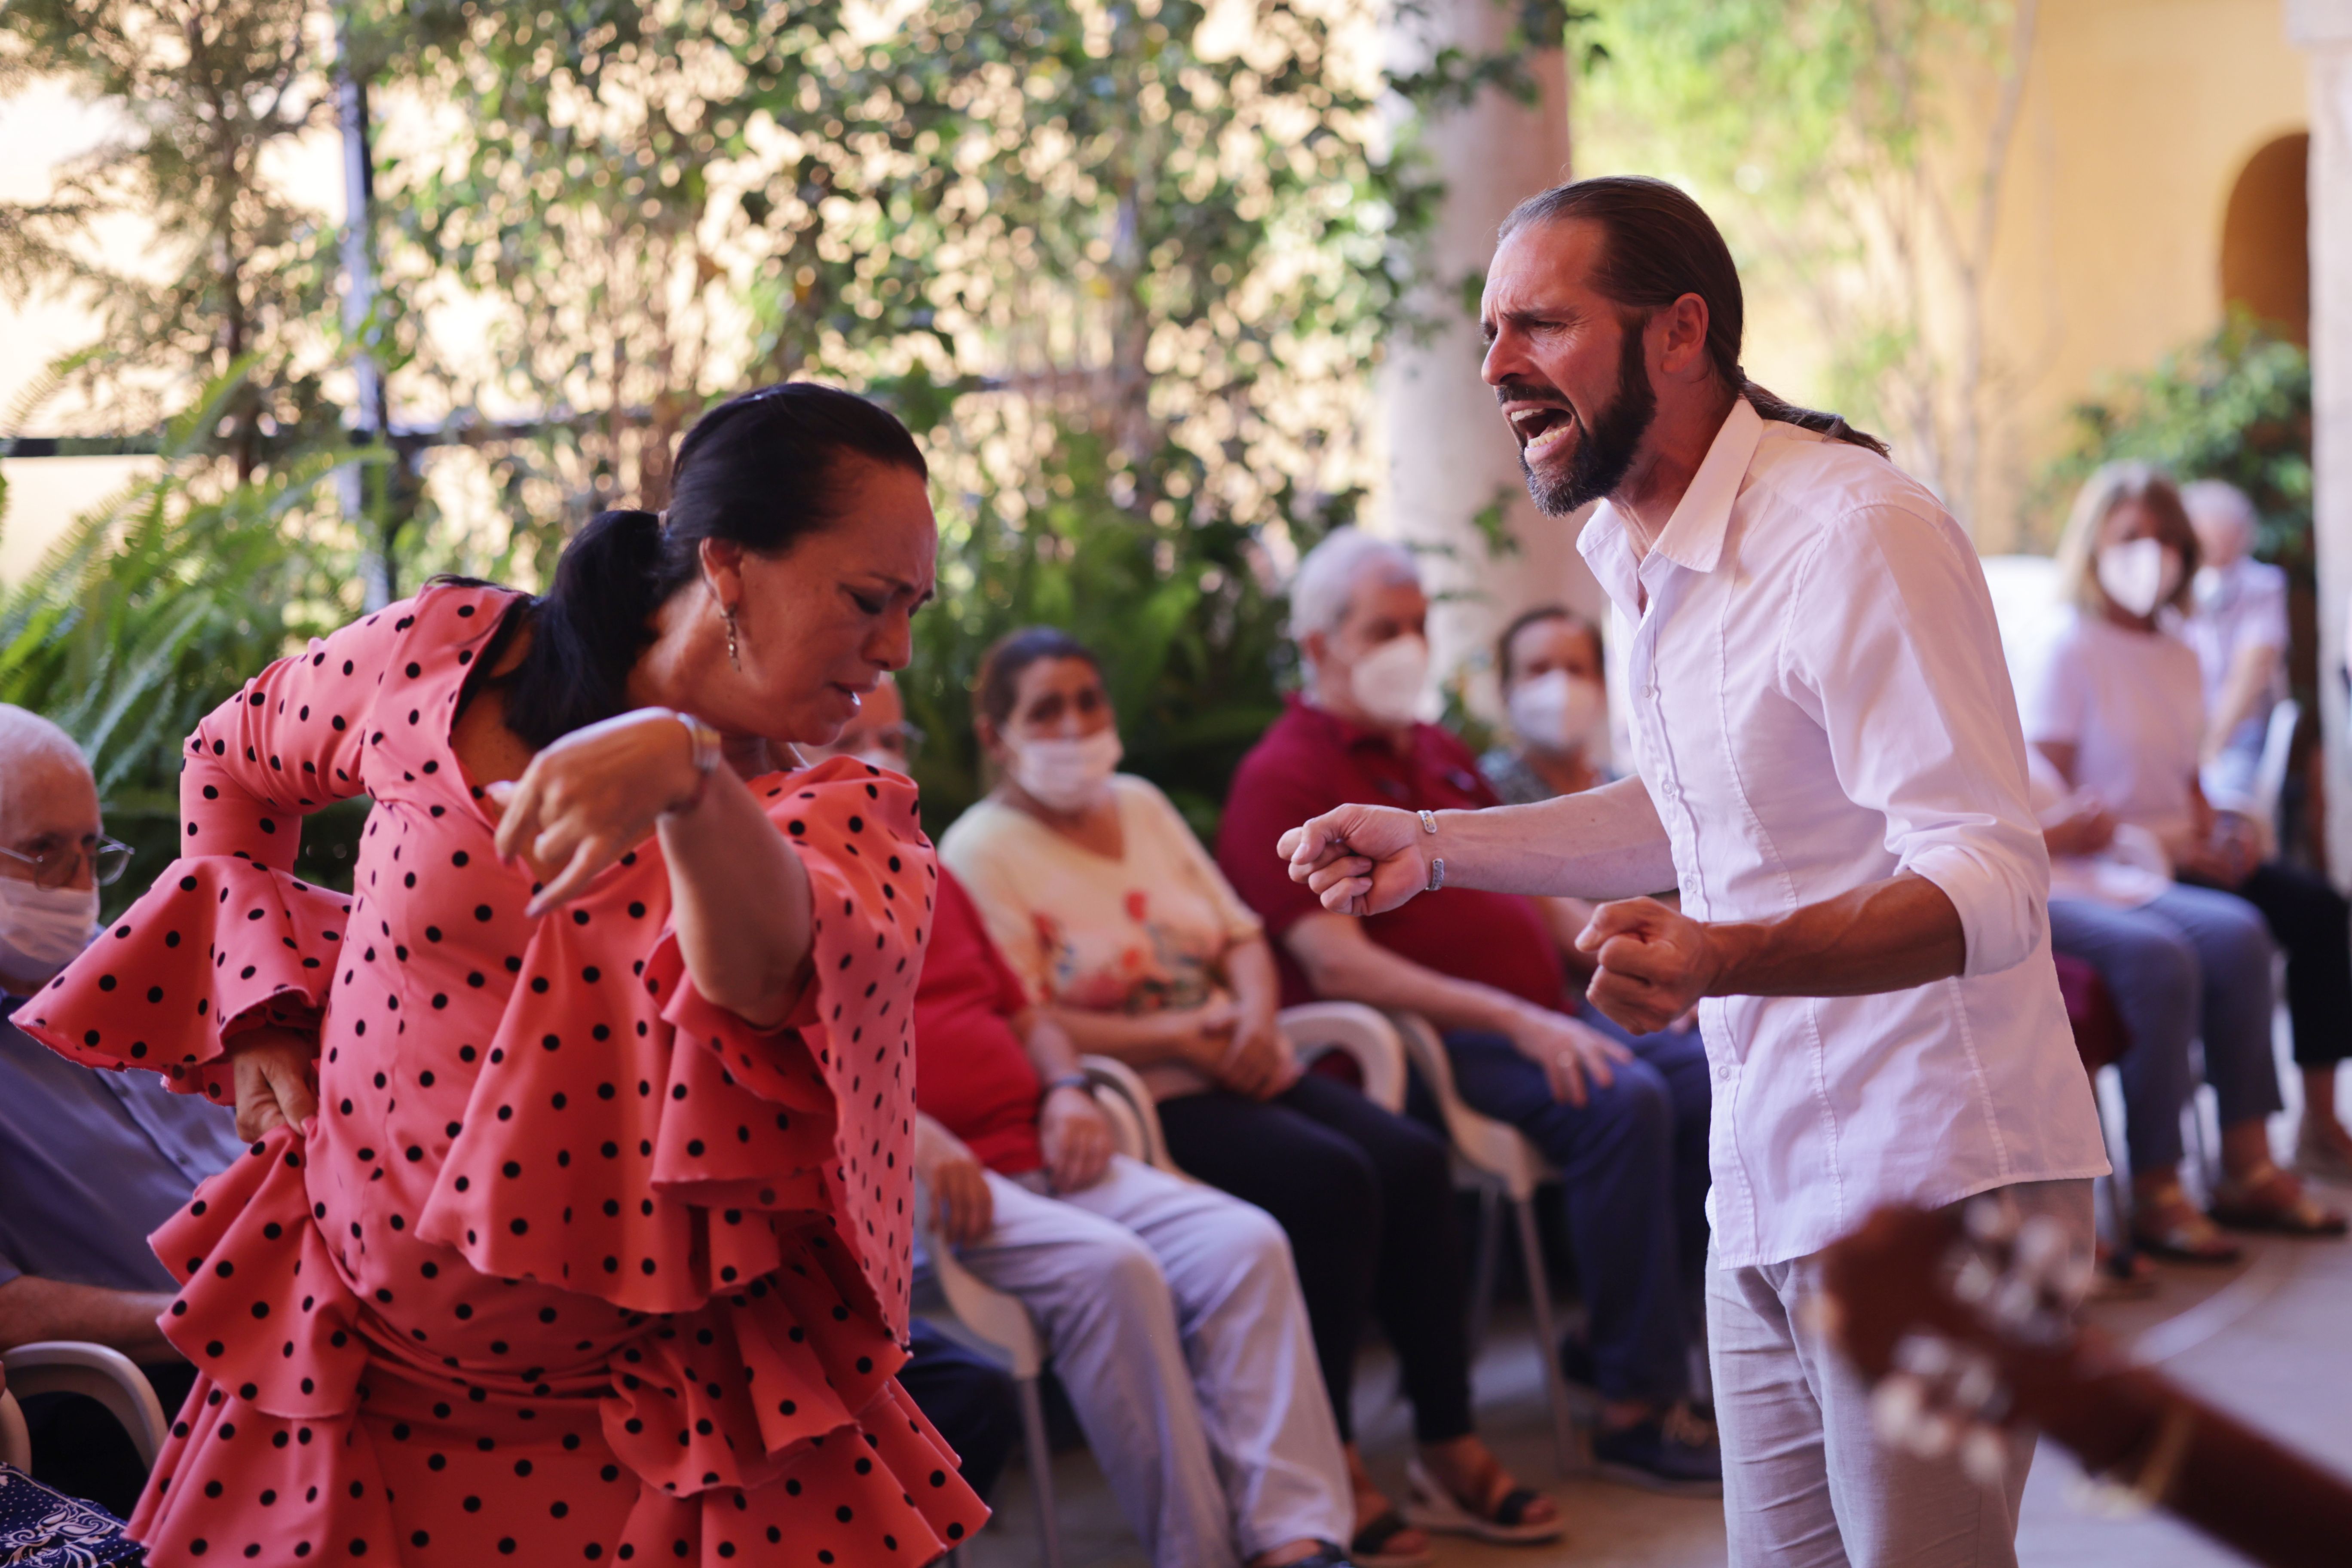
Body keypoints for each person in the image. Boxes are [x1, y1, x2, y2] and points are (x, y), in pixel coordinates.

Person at [1277, 176, 2110, 1567]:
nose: (1495, 369)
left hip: (1942, 1174)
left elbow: (1989, 880)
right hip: (1770, 1171)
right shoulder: (1635, 544)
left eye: (1539, 324)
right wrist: (1429, 845)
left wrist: (1725, 952)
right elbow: (1689, 811)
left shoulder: (1854, 529)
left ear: (1679, 333)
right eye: (1489, 333)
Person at [19, 384, 990, 1565]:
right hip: (349, 1394)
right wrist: (258, 1010)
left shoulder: (840, 817)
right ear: (729, 566)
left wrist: (688, 777)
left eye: (912, 612)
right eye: (869, 601)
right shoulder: (439, 661)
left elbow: (769, 970)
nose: (895, 650)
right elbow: (231, 762)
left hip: (641, 1447)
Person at [940, 630, 1560, 1565]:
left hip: (1243, 1054)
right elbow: (1028, 1012)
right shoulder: (979, 850)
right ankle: (1335, 1463)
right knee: (1329, 1182)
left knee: (1411, 1158)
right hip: (1146, 1092)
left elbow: (1239, 934)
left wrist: (1256, 1024)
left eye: (1088, 701)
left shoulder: (1141, 805)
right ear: (997, 735)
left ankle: (1447, 1441)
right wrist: (1183, 1040)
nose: (1074, 725)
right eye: (1046, 711)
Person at [810, 680, 1357, 1568]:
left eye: (893, 733)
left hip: (1045, 1144)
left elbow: (1026, 1016)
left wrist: (1065, 1089)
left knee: (1243, 1242)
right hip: (933, 1186)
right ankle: (1200, 1554)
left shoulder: (923, 864)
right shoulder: (780, 881)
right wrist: (914, 1134)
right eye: (854, 733)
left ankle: (1295, 1538)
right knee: (1116, 1270)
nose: (882, 756)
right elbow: (796, 1062)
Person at [1217, 534, 1717, 1493]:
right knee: (1625, 1102)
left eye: (1416, 626)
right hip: (1437, 1047)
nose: (1408, 645)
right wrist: (1520, 1021)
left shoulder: (1439, 751)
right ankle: (1636, 1409)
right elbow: (1339, 964)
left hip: (1544, 1014)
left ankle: (1622, 1343)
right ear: (1319, 647)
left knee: (1705, 1074)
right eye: (1381, 630)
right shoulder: (1284, 778)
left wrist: (1633, 961)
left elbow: (1534, 885)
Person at [2024, 462, 2347, 1233]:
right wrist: (2155, 845)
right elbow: (2054, 805)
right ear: (2093, 543)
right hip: (2109, 864)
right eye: (2133, 537)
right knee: (2214, 939)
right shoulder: (2069, 651)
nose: (2153, 554)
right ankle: (2162, 1183)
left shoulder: (2180, 650)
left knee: (2312, 909)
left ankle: (2254, 1156)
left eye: (2168, 538)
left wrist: (2217, 825)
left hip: (2174, 849)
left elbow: (2184, 770)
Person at [0, 708, 248, 1516]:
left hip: (302, 1311)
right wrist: (219, 1314)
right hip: (167, 1384)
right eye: (43, 853)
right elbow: (9, 1308)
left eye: (90, 849)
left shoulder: (138, 967)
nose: (80, 884)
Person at [2029, 746, 2288, 1262]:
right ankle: (2157, 1184)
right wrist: (2056, 833)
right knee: (2158, 958)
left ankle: (2247, 1163)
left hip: (2095, 874)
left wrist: (2092, 825)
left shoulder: (2004, 717)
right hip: (2034, 892)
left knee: (2240, 933)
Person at [2179, 479, 2290, 809]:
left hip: (2235, 739)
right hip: (2179, 734)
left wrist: (2207, 752)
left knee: (2222, 801)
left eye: (2224, 549)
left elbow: (2252, 672)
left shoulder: (2264, 586)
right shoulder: (2174, 592)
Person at [1478, 605, 1617, 806]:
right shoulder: (1482, 793)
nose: (1559, 687)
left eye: (1576, 670)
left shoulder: (1620, 791)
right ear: (1505, 688)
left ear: (1601, 685)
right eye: (1539, 669)